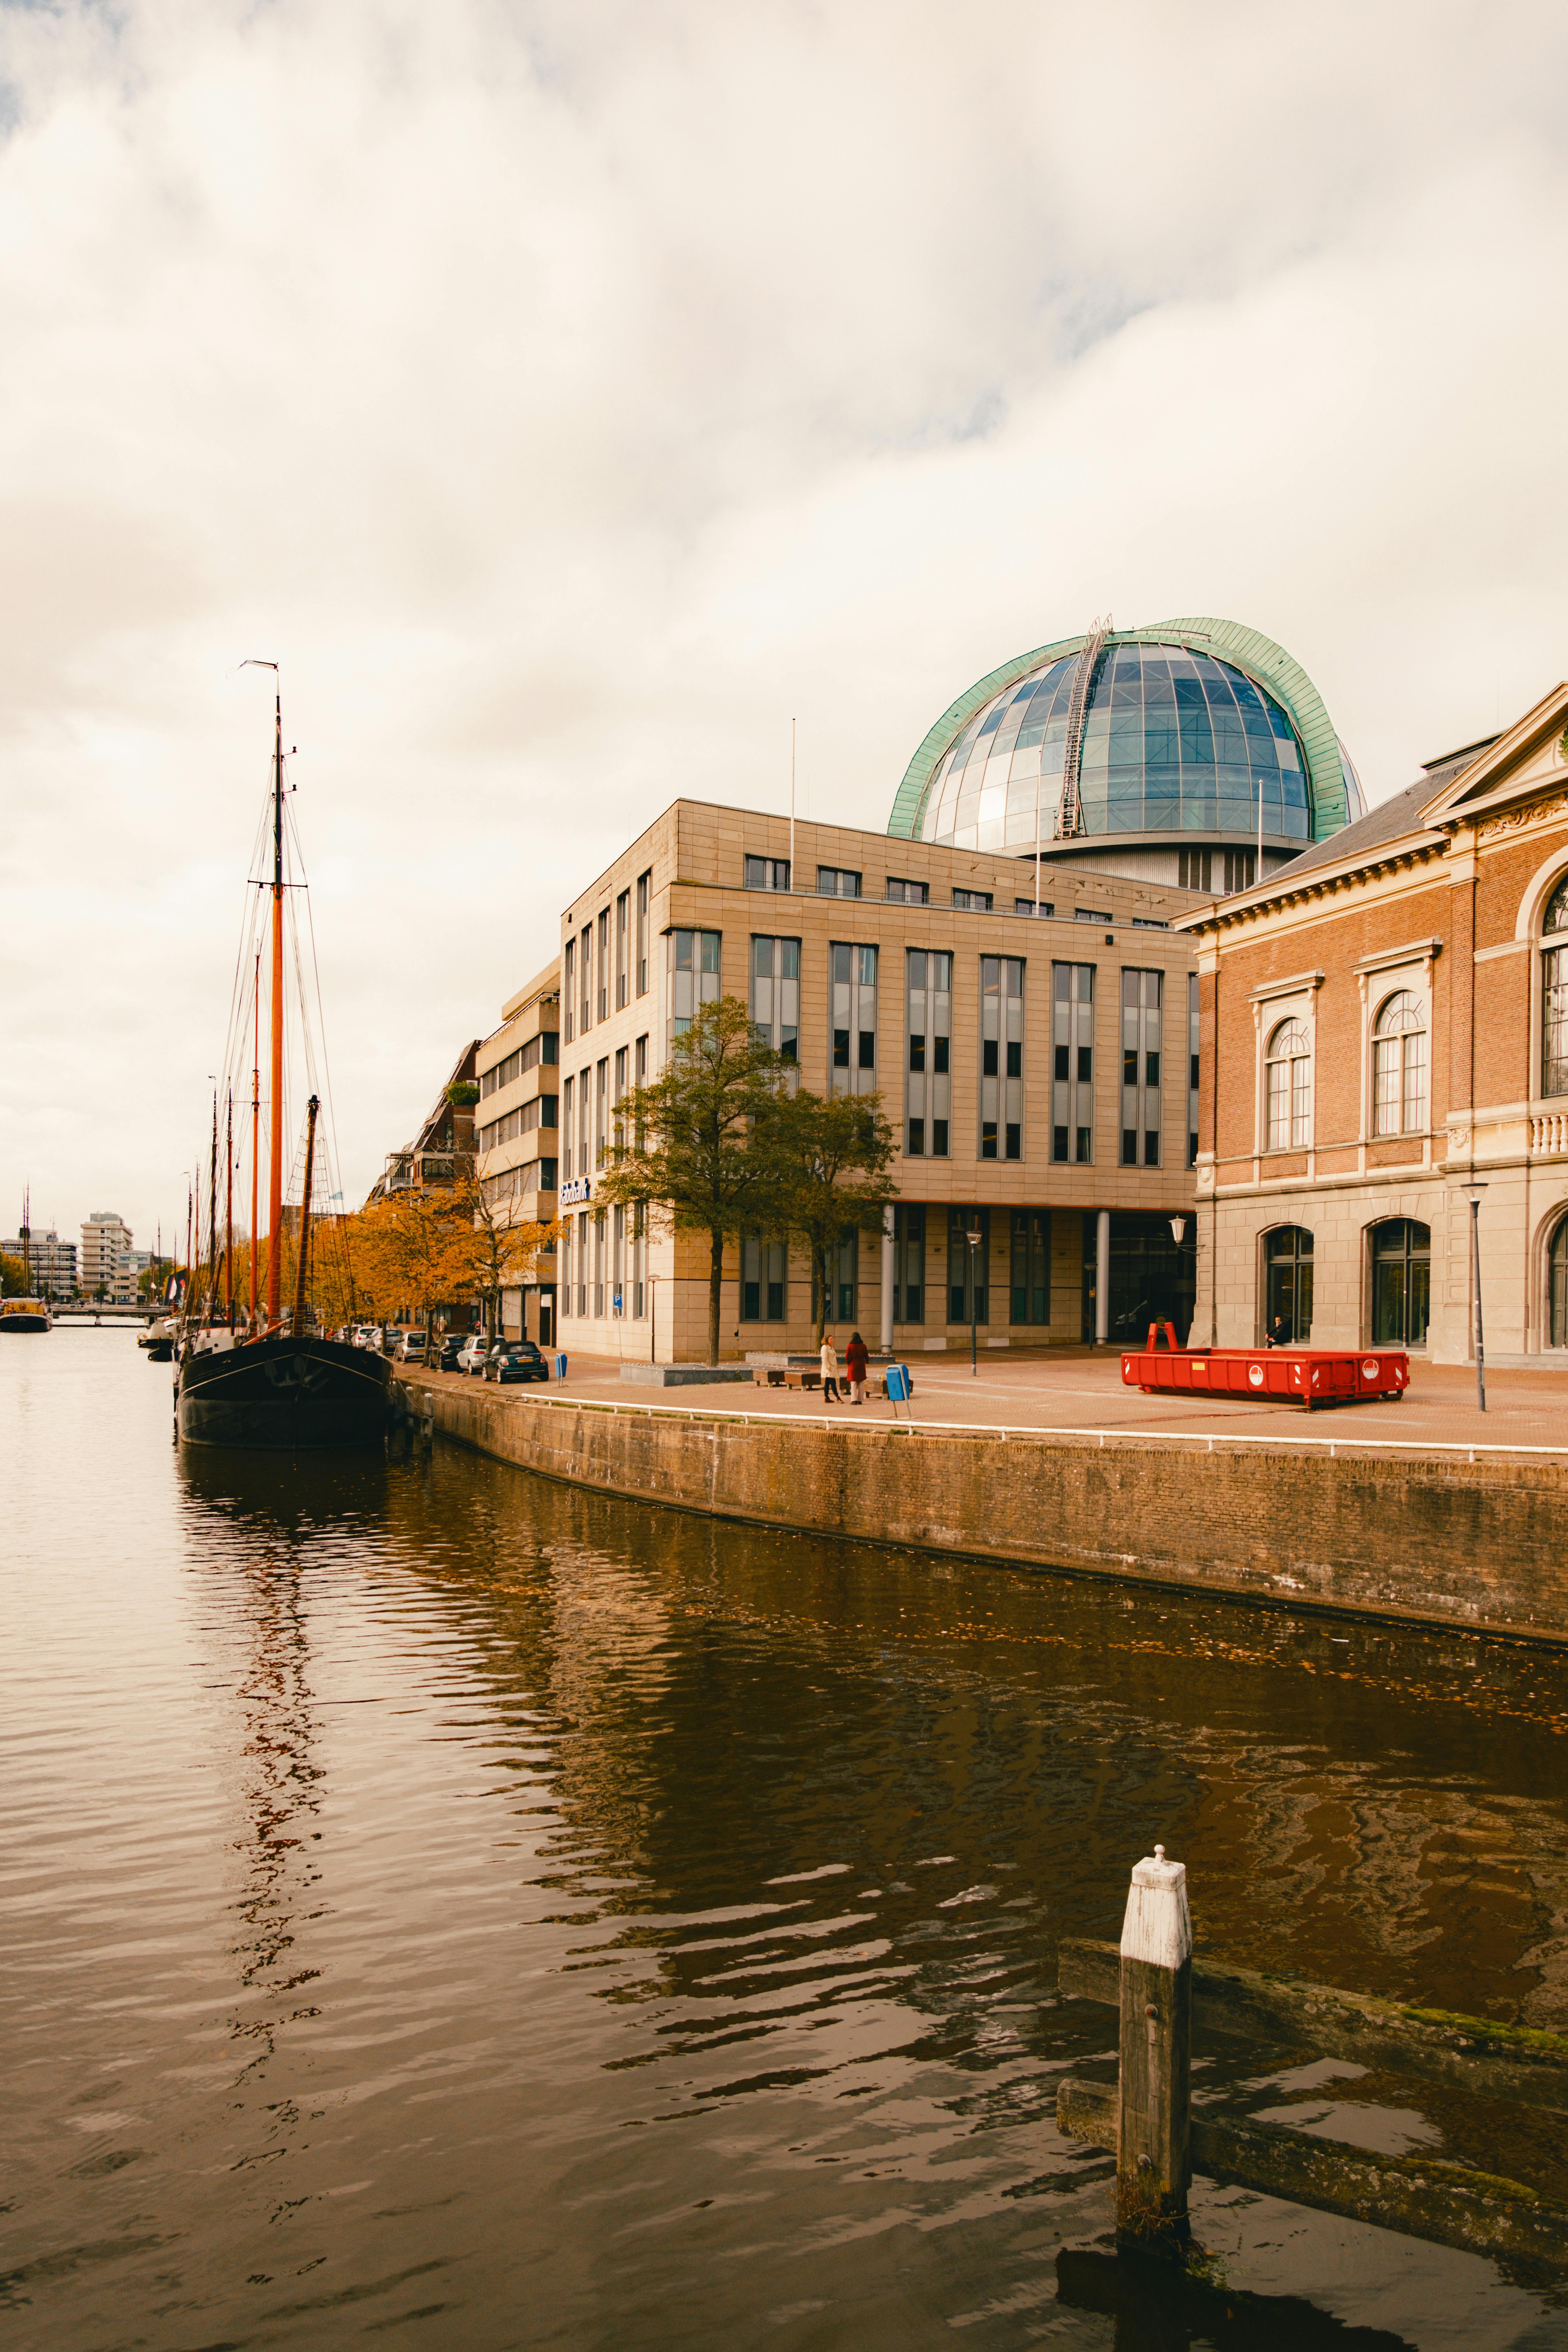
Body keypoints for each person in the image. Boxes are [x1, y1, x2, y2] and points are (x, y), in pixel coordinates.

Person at [845, 1330, 869, 1404]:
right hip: (861, 1365)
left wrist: (849, 1363)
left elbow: (847, 1357)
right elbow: (867, 1356)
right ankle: (860, 1400)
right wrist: (867, 1362)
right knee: (861, 1382)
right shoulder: (864, 1346)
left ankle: (854, 1400)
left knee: (854, 1383)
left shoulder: (850, 1346)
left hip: (853, 1365)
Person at [819, 1331, 842, 1402]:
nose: (832, 1340)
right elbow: (825, 1359)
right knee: (833, 1383)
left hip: (832, 1369)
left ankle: (826, 1398)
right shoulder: (825, 1348)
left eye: (833, 1339)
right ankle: (838, 1397)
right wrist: (829, 1368)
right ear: (827, 1340)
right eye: (831, 1339)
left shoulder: (831, 1348)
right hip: (829, 1370)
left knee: (828, 1383)